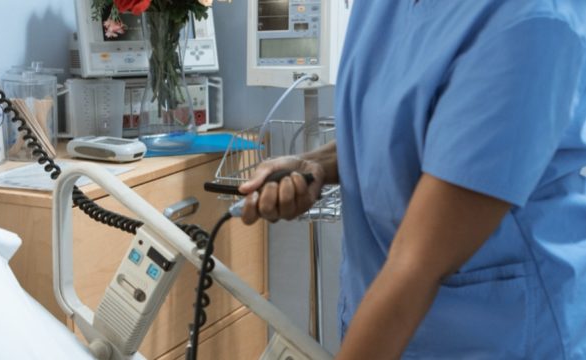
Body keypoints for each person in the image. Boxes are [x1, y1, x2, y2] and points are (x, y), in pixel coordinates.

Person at [239, 1, 586, 358]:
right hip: (386, 316)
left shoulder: (529, 19)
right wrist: (317, 164)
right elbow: (407, 127)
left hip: (494, 335)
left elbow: (417, 265)